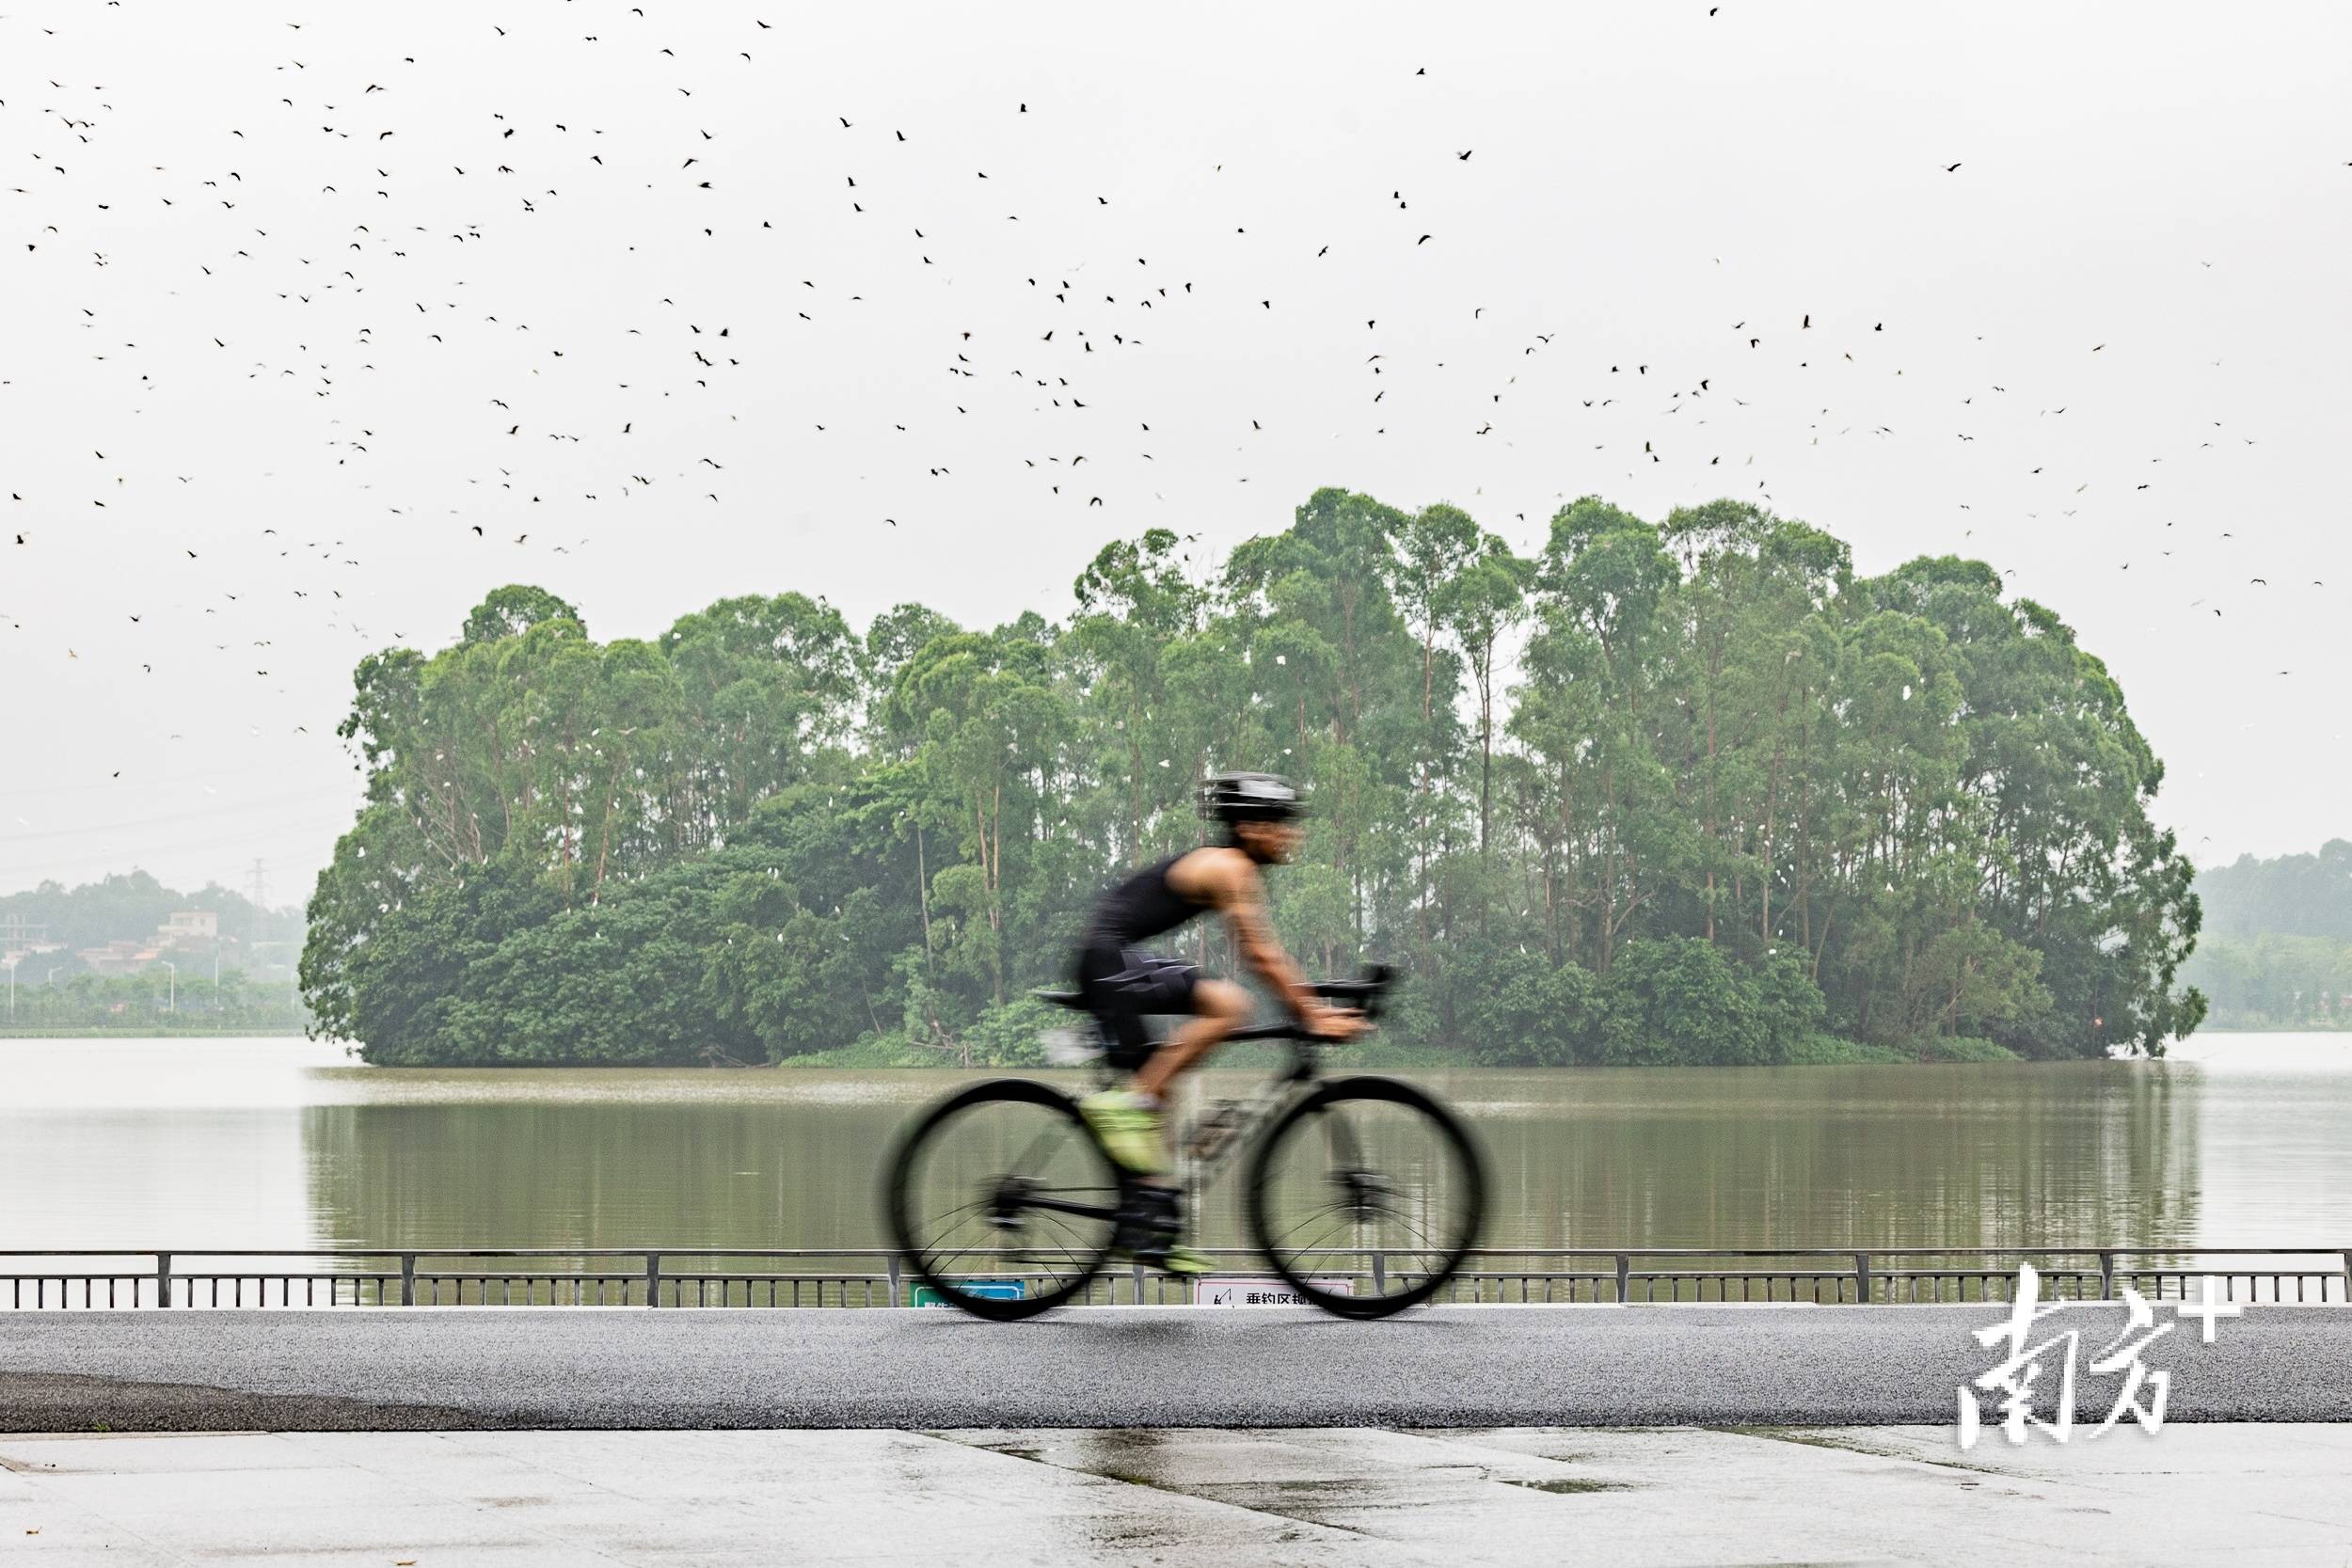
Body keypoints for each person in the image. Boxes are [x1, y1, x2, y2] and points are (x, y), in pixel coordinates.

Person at [1073, 770, 1367, 1273]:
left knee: (1159, 1097)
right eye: (1282, 823)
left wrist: (1313, 1004)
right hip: (1106, 961)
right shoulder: (1232, 868)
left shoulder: (1229, 868)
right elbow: (1261, 955)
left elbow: (1269, 956)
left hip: (1110, 960)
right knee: (1231, 1007)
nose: (1291, 834)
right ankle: (1127, 1105)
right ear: (1251, 826)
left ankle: (1151, 1228)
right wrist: (1312, 1014)